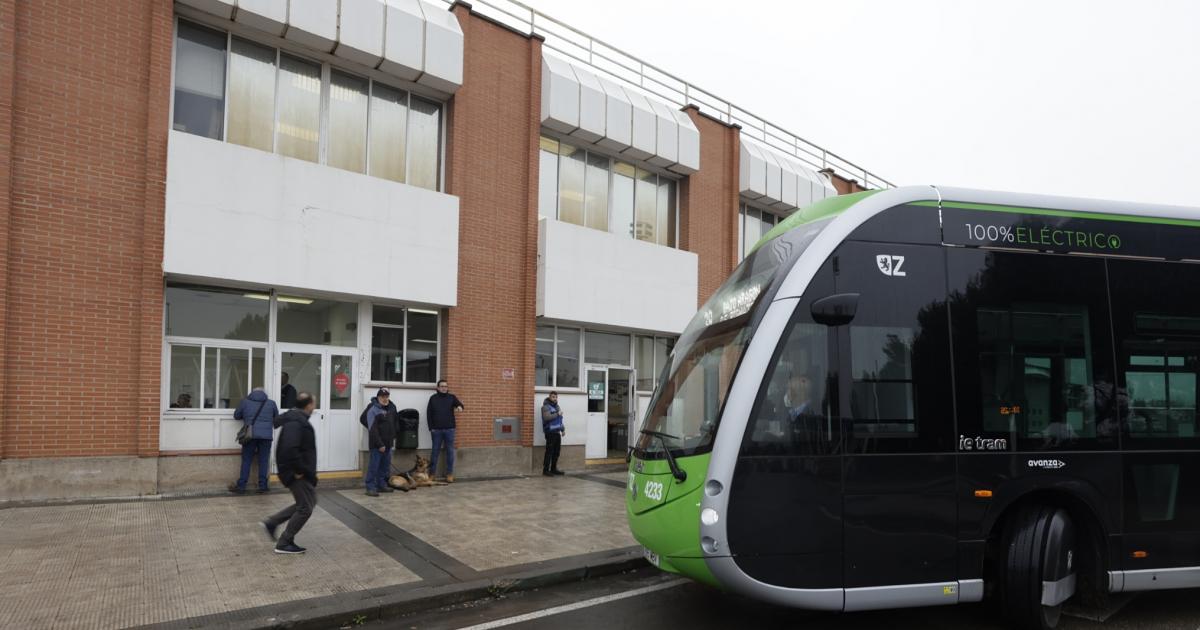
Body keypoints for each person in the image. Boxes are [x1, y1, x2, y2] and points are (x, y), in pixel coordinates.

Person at [261, 392, 318, 555]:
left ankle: (273, 522)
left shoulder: (296, 419)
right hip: (296, 472)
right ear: (308, 405)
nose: (314, 407)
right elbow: (289, 448)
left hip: (298, 470)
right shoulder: (296, 422)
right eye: (314, 404)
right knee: (305, 508)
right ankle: (284, 542)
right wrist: (299, 470)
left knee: (309, 501)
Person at [229, 387, 280, 494]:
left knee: (246, 460)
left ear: (252, 393)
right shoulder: (271, 403)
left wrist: (247, 417)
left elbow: (236, 416)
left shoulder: (245, 402)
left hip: (249, 436)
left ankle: (242, 486)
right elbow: (276, 419)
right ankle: (263, 486)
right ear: (264, 393)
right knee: (264, 461)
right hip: (266, 436)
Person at [427, 379, 464, 483]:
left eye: (446, 386)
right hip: (436, 431)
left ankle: (449, 474)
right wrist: (431, 428)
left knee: (450, 452)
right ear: (438, 388)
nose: (444, 388)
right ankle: (432, 474)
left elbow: (460, 405)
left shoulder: (451, 398)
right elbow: (429, 414)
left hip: (449, 430)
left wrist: (460, 407)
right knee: (435, 452)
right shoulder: (433, 398)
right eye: (442, 386)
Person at [365, 387, 398, 496]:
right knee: (374, 467)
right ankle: (370, 487)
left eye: (386, 396)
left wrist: (392, 439)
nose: (385, 399)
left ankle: (381, 485)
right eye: (382, 397)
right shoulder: (373, 409)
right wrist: (380, 444)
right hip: (377, 445)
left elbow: (392, 425)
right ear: (378, 397)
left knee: (384, 467)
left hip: (388, 444)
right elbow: (372, 430)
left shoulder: (390, 409)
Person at [541, 391, 565, 476]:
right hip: (550, 432)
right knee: (549, 452)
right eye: (553, 397)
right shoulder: (545, 407)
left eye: (556, 397)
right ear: (549, 397)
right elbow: (546, 417)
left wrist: (563, 429)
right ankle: (546, 470)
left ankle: (553, 469)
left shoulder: (557, 407)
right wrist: (556, 414)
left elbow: (560, 419)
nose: (555, 398)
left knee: (556, 452)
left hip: (557, 432)